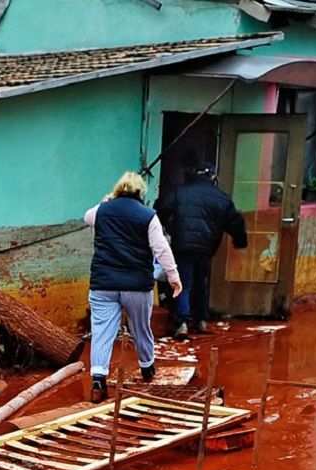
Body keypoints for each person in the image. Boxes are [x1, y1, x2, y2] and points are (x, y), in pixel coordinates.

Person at [84, 171, 182, 403]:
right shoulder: (148, 216)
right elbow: (161, 250)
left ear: (117, 190)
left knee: (101, 332)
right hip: (136, 287)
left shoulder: (101, 211)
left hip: (103, 285)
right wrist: (174, 277)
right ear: (141, 192)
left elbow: (87, 216)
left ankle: (98, 380)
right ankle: (147, 367)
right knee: (141, 328)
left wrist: (106, 202)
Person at [154, 155, 248, 339]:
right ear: (212, 177)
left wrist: (161, 230)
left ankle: (182, 323)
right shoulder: (221, 198)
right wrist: (240, 241)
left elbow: (162, 209)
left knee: (183, 283)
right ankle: (201, 320)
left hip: (183, 245)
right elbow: (235, 221)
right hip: (207, 248)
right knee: (201, 283)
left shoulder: (179, 191)